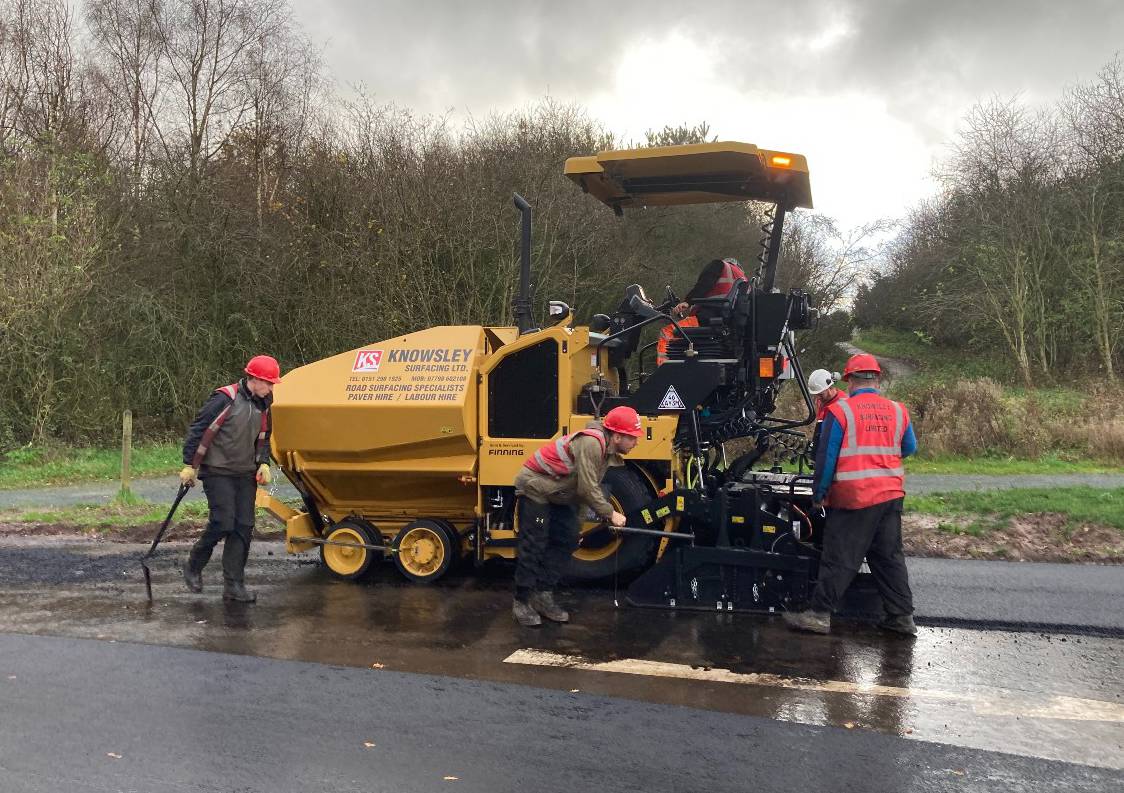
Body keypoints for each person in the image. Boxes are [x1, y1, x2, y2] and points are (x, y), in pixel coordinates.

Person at [785, 353, 919, 637]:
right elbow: (908, 447)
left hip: (855, 496)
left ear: (849, 380)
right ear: (877, 378)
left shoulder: (841, 412)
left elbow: (827, 457)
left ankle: (819, 615)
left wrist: (819, 493)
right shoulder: (898, 410)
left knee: (839, 556)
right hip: (891, 495)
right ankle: (902, 618)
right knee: (889, 557)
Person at [511, 405, 643, 626]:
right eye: (633, 437)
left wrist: (577, 528)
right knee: (534, 544)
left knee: (568, 540)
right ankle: (521, 602)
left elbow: (582, 492)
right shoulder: (592, 444)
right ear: (618, 436)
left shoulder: (606, 452)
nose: (636, 442)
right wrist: (611, 514)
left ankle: (543, 596)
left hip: (560, 493)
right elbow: (587, 489)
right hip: (536, 489)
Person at [180, 355, 281, 603]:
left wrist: (264, 462)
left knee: (243, 527)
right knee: (223, 522)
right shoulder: (225, 397)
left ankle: (234, 585)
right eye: (268, 383)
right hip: (217, 470)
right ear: (254, 379)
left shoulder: (264, 403)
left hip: (245, 472)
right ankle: (193, 565)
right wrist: (188, 464)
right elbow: (199, 428)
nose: (271, 388)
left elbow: (265, 436)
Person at [656, 257, 747, 365]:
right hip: (728, 324)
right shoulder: (744, 278)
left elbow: (705, 284)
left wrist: (688, 301)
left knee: (667, 332)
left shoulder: (720, 265)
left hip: (708, 318)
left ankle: (664, 371)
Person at [807, 368, 843, 454]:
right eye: (816, 395)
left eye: (820, 394)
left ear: (830, 387)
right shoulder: (821, 401)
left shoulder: (843, 404)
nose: (818, 398)